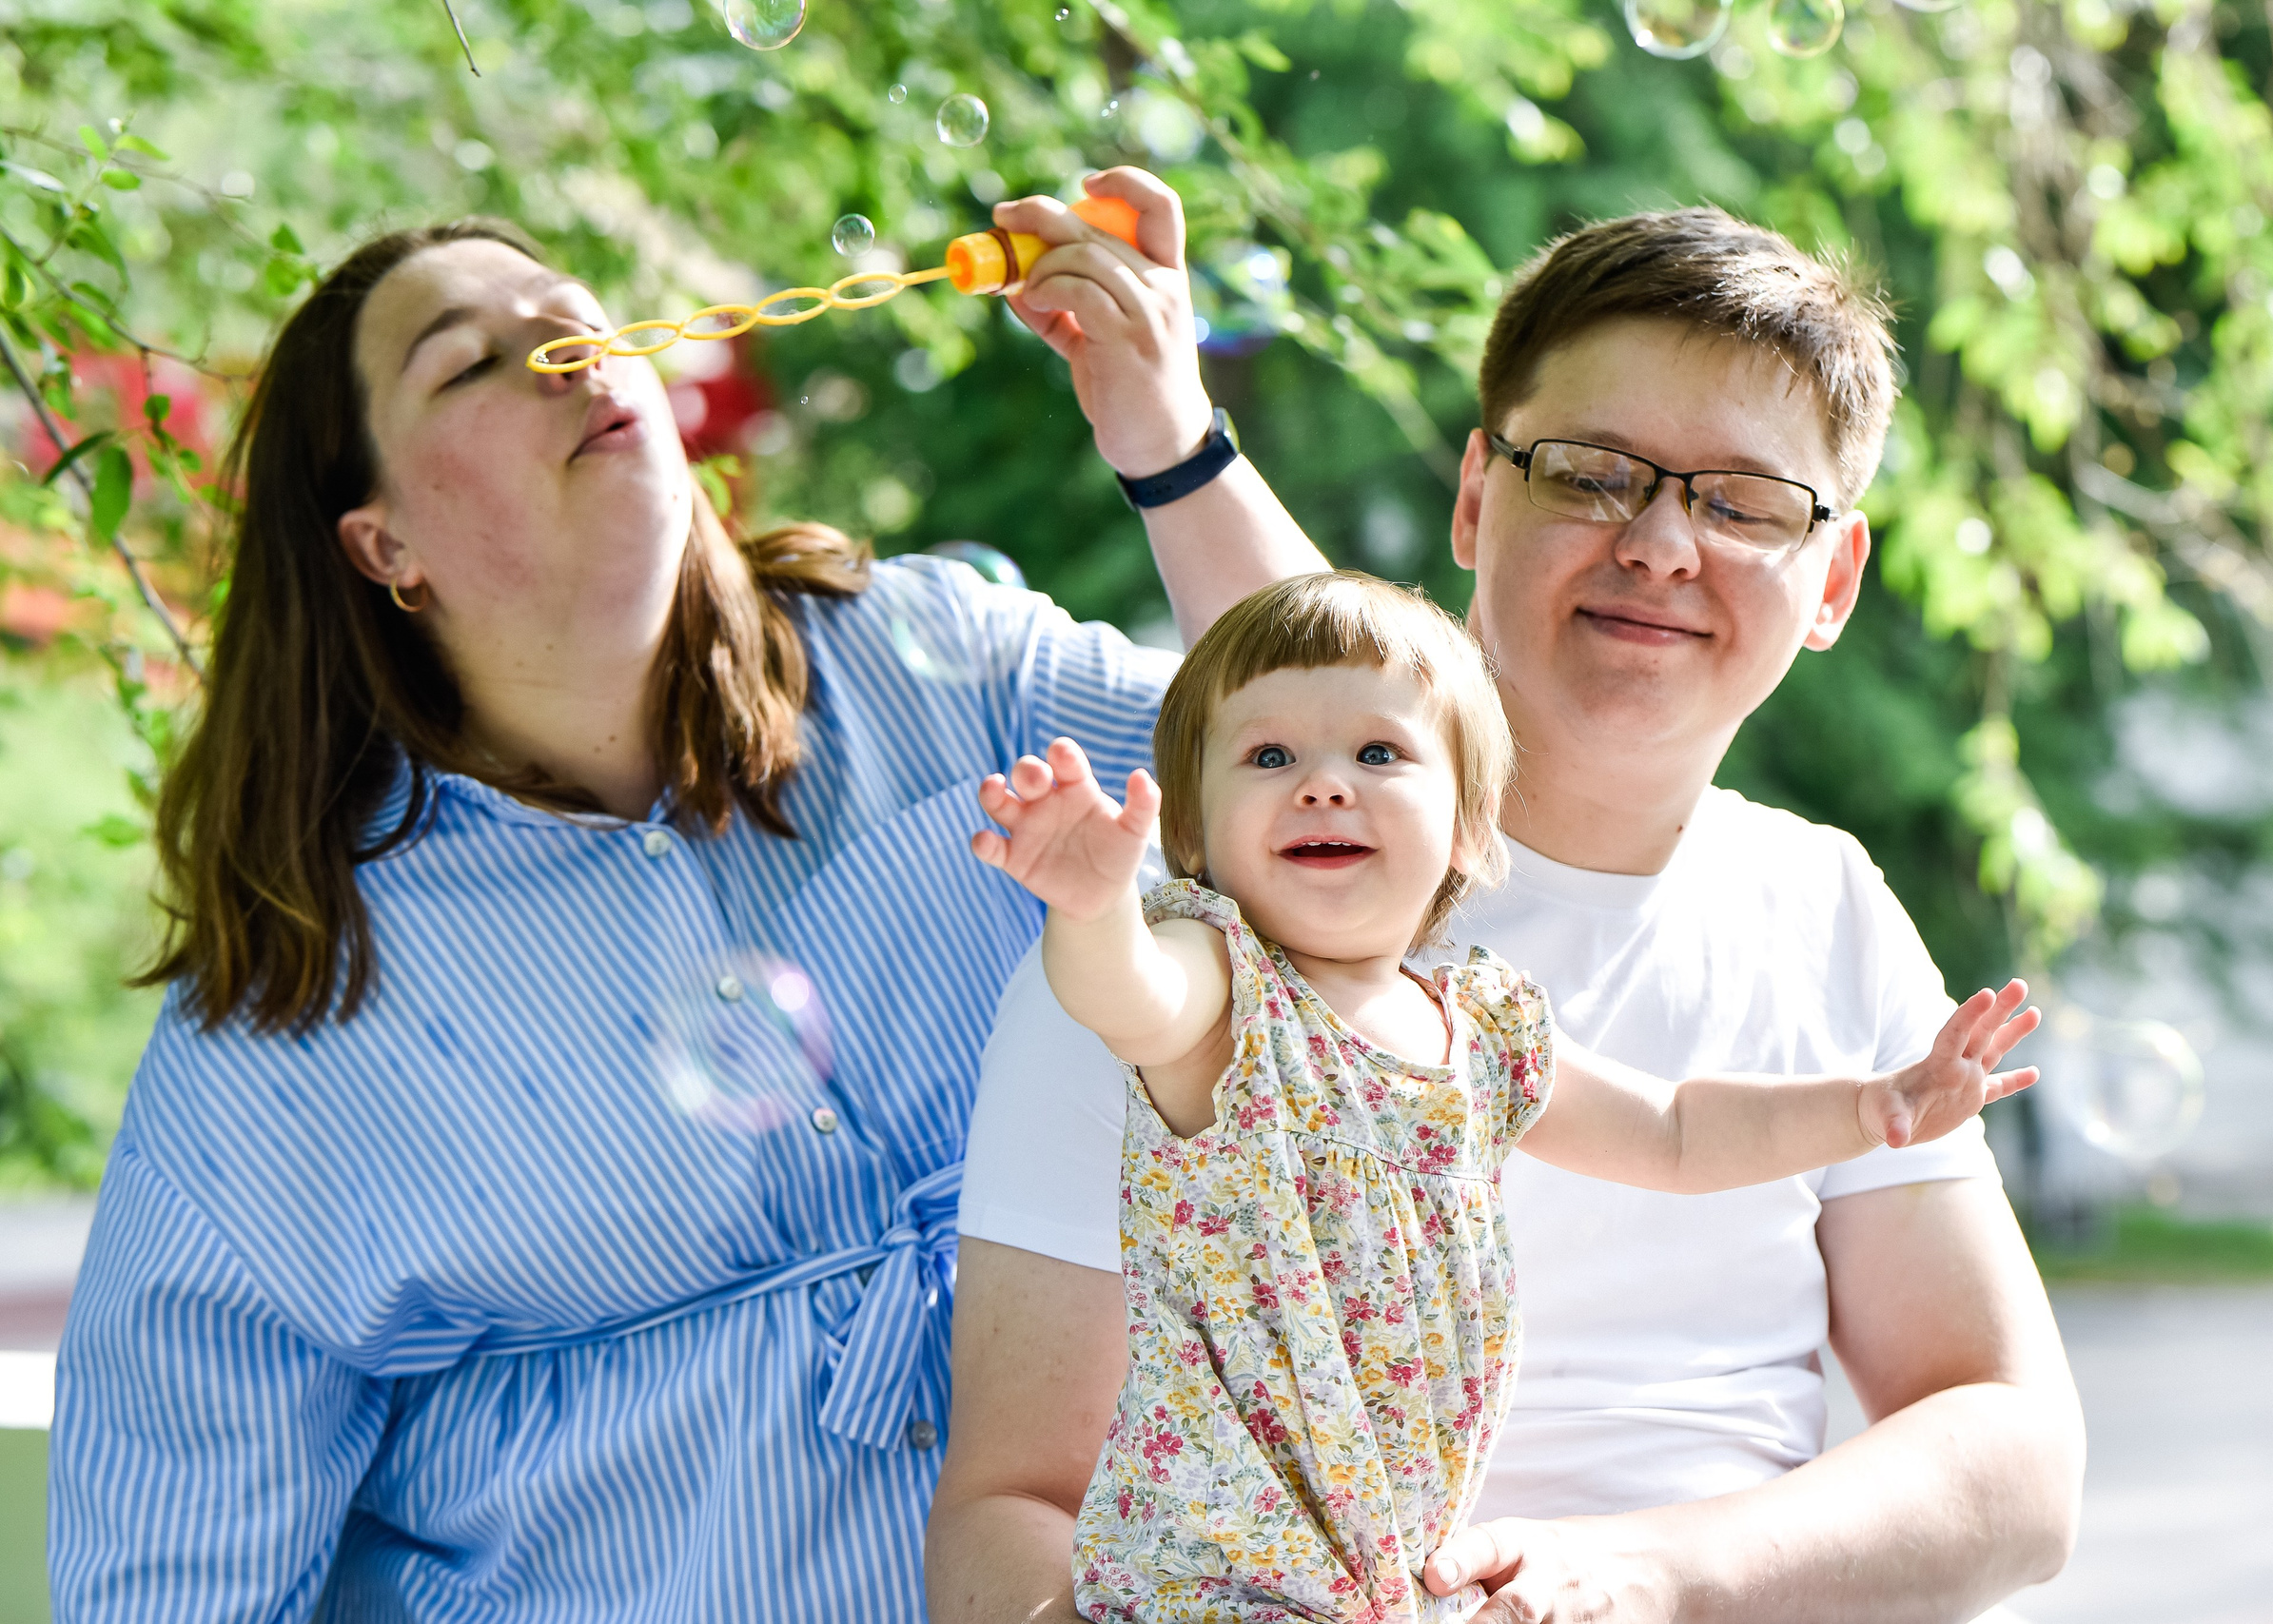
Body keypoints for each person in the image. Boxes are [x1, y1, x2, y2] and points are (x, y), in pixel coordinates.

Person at [49, 170, 1326, 1620]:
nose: (569, 355)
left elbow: (1374, 795)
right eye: (473, 362)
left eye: (577, 320)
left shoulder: (935, 663)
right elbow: (173, 1577)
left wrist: (1170, 442)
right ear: (383, 543)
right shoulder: (293, 1014)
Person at [934, 209, 2087, 1624]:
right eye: (1595, 474)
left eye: (1743, 503)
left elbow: (2017, 1460)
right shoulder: (1189, 956)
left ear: (1833, 579)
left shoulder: (1823, 903)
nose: (1660, 544)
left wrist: (1651, 1572)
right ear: (1477, 499)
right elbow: (1013, 1512)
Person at [966, 573, 2040, 1622]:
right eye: (1269, 755)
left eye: (1377, 753)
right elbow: (1129, 998)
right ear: (1197, 832)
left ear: (1470, 828)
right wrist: (1093, 911)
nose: (1323, 784)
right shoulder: (1221, 987)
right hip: (1216, 1564)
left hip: (1382, 1564)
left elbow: (1675, 1132)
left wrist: (1867, 1107)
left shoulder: (1481, 1028)